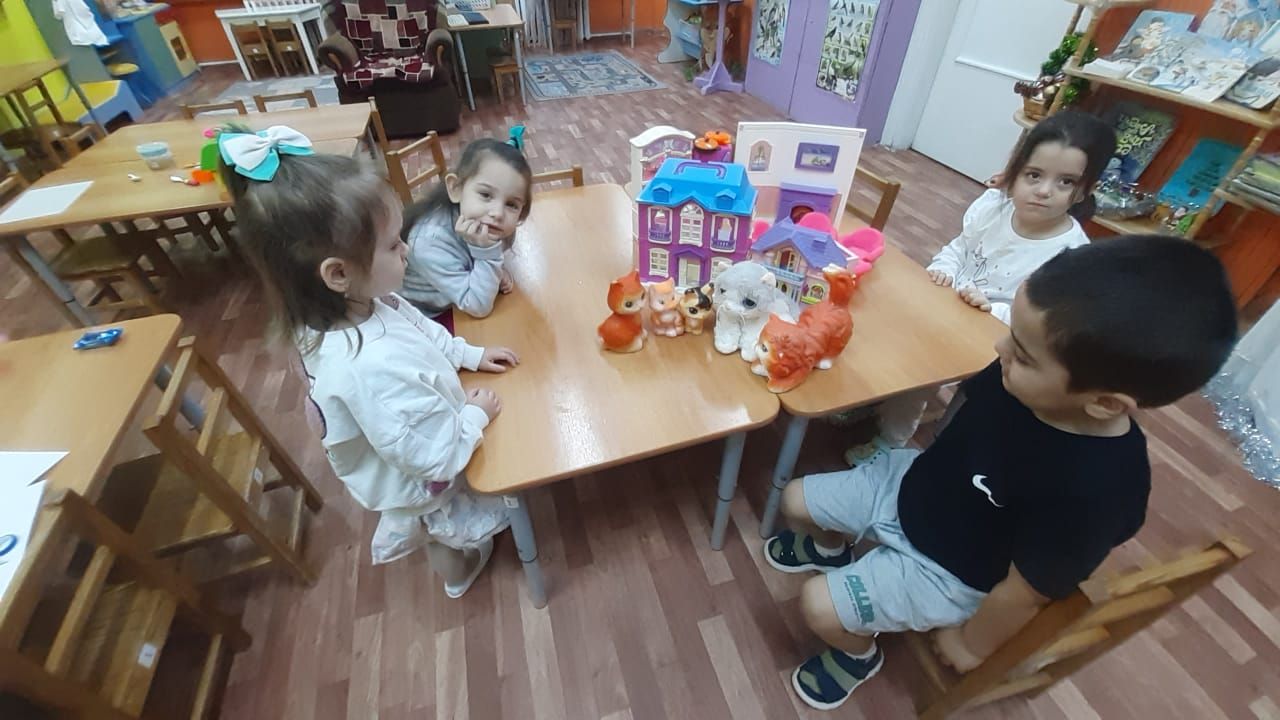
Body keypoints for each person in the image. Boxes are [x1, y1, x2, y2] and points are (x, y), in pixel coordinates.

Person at [766, 235, 1237, 710]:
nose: (999, 347)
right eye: (1012, 336)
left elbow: (1028, 591)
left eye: (1023, 354)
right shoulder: (1017, 373)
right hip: (915, 487)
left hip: (950, 571)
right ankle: (831, 551)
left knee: (819, 608)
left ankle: (858, 657)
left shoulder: (1102, 489)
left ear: (1105, 403)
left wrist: (971, 643)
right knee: (795, 499)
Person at [219, 125, 519, 598]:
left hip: (416, 431)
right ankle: (458, 574)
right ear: (338, 273)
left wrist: (471, 355)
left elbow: (425, 333)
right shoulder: (368, 369)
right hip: (422, 476)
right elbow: (433, 457)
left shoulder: (364, 304)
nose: (407, 250)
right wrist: (474, 417)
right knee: (441, 531)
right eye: (394, 245)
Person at [845, 110, 1117, 465]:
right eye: (1034, 175)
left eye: (1065, 182)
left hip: (999, 339)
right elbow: (960, 247)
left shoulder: (1070, 255)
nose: (1044, 190)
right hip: (948, 307)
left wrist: (992, 309)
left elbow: (1045, 321)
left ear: (1084, 190)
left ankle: (890, 442)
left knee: (922, 366)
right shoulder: (994, 207)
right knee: (888, 321)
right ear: (1015, 171)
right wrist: (943, 268)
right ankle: (875, 398)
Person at [400, 132, 534, 331]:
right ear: (456, 188)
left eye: (511, 204)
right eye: (486, 195)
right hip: (424, 319)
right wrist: (488, 256)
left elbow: (473, 261)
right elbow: (478, 306)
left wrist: (493, 267)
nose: (498, 213)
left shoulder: (487, 225)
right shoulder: (429, 241)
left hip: (454, 299)